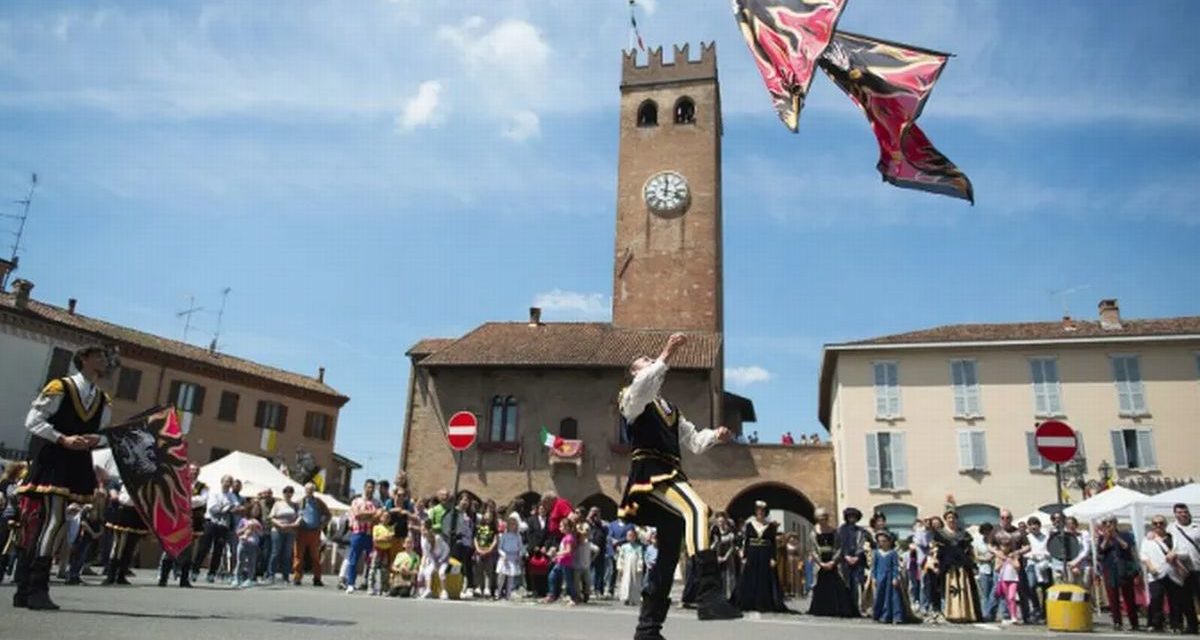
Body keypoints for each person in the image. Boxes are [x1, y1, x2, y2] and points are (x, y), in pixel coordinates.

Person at [616, 333, 743, 638]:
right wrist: (667, 351)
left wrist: (716, 435)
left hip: (671, 473)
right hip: (651, 475)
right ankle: (709, 593)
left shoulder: (672, 410)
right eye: (643, 362)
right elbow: (645, 383)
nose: (651, 363)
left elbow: (695, 442)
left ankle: (648, 628)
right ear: (635, 372)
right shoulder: (630, 397)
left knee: (670, 553)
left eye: (651, 360)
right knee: (698, 509)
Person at [12, 345, 116, 610]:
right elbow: (33, 420)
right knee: (55, 519)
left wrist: (97, 439)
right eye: (100, 356)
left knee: (52, 521)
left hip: (78, 460)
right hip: (55, 458)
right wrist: (62, 438)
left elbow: (105, 433)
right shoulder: (61, 386)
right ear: (84, 359)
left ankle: (25, 586)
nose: (105, 360)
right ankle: (37, 587)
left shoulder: (103, 399)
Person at [733, 500, 788, 612]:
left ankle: (763, 602)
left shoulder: (770, 527)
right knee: (750, 577)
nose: (760, 513)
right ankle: (748, 601)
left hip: (765, 553)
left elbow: (773, 543)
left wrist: (773, 558)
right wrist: (745, 556)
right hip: (753, 553)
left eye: (762, 511)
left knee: (764, 577)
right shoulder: (749, 525)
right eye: (758, 511)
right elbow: (747, 542)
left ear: (765, 512)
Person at [1141, 515, 1188, 633]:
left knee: (1175, 601)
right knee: (1156, 599)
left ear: (1165, 524)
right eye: (1155, 523)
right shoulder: (1148, 539)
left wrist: (1175, 555)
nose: (1158, 525)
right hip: (1156, 573)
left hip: (1173, 573)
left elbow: (1184, 552)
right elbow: (1143, 554)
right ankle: (1155, 624)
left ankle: (1176, 625)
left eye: (1161, 523)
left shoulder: (1174, 538)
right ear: (1152, 525)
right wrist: (1150, 566)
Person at [935, 510, 981, 623]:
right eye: (949, 518)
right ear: (945, 520)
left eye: (953, 517)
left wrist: (973, 562)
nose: (951, 520)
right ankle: (949, 613)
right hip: (947, 566)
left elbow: (969, 550)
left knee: (964, 589)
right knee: (948, 590)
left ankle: (965, 613)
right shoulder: (940, 534)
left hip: (962, 566)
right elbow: (935, 550)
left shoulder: (964, 534)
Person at [809, 507, 856, 617]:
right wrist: (820, 563)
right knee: (820, 585)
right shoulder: (813, 533)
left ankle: (837, 608)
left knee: (836, 585)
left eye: (825, 518)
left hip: (832, 561)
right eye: (820, 519)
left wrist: (833, 561)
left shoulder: (834, 532)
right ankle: (821, 609)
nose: (823, 521)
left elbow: (839, 548)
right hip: (821, 562)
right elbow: (813, 549)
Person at [1096, 516, 1140, 631]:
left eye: (1111, 522)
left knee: (1129, 596)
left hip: (1124, 568)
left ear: (1116, 523)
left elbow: (1127, 547)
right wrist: (1106, 538)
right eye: (1106, 523)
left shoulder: (1125, 535)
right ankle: (1117, 622)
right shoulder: (1102, 537)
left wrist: (1116, 537)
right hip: (1110, 568)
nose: (1109, 525)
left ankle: (1134, 622)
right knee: (1112, 596)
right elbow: (1100, 550)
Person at [193, 474, 238, 584]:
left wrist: (228, 508)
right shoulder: (214, 493)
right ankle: (194, 570)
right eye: (226, 481)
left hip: (223, 525)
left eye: (230, 482)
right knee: (204, 548)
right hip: (211, 523)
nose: (227, 484)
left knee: (218, 550)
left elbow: (237, 506)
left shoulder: (232, 496)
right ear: (221, 482)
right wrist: (228, 508)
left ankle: (212, 573)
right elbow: (213, 509)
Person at [1169, 503, 1200, 634]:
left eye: (1185, 512)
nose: (1183, 514)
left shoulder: (1197, 527)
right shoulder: (1171, 528)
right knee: (1186, 599)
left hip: (1197, 566)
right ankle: (1192, 626)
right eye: (1179, 512)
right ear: (1175, 514)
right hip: (1181, 569)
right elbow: (1162, 539)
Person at [345, 479, 380, 593]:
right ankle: (351, 583)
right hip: (358, 532)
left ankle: (369, 584)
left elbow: (379, 516)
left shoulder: (376, 502)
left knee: (371, 560)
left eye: (372, 488)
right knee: (353, 559)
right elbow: (357, 515)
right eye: (369, 487)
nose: (370, 490)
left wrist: (367, 515)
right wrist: (371, 514)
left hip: (371, 534)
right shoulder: (356, 501)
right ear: (364, 487)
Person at [292, 482, 330, 586]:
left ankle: (317, 578)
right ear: (305, 490)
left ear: (314, 491)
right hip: (301, 531)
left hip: (314, 532)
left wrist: (321, 526)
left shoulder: (318, 502)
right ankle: (297, 577)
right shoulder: (299, 502)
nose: (309, 491)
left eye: (311, 489)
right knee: (298, 555)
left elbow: (328, 515)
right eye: (308, 489)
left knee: (315, 556)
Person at [871, 531, 908, 624]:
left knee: (893, 596)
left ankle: (896, 616)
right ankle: (880, 615)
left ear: (889, 542)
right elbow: (874, 567)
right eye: (880, 541)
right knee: (880, 596)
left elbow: (895, 566)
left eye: (884, 541)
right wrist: (874, 577)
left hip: (890, 577)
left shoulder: (892, 553)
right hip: (880, 576)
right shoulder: (876, 553)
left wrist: (895, 577)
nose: (882, 543)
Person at [265, 485, 298, 584]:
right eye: (286, 492)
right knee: (275, 552)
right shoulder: (278, 504)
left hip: (290, 530)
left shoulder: (295, 505)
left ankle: (285, 576)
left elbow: (299, 516)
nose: (288, 494)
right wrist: (279, 524)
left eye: (290, 492)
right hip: (277, 530)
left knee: (287, 554)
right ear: (283, 493)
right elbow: (271, 517)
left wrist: (293, 525)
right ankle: (271, 574)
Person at [837, 507, 869, 608]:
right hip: (844, 561)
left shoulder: (861, 531)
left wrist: (857, 556)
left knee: (857, 584)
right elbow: (838, 545)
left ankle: (857, 606)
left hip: (858, 562)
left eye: (854, 517)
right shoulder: (841, 530)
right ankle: (846, 607)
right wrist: (846, 556)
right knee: (846, 584)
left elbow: (866, 544)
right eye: (850, 516)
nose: (852, 519)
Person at [544, 517, 578, 605]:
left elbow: (568, 551)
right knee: (552, 577)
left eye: (561, 526)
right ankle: (552, 595)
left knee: (568, 581)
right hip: (560, 562)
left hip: (566, 563)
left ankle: (574, 598)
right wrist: (556, 558)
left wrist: (557, 553)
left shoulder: (569, 538)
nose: (560, 528)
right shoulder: (565, 537)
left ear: (567, 527)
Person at [416, 522, 449, 599]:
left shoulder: (438, 538)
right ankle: (427, 590)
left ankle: (444, 591)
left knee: (441, 572)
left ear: (429, 531)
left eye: (425, 530)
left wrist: (441, 560)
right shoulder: (424, 541)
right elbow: (428, 555)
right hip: (434, 560)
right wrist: (434, 564)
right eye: (422, 530)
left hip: (444, 559)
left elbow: (446, 549)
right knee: (427, 571)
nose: (423, 532)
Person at [972, 522, 997, 622]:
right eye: (985, 531)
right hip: (984, 569)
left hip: (995, 568)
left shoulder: (996, 542)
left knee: (994, 594)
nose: (987, 533)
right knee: (985, 594)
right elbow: (976, 556)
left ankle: (992, 614)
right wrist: (985, 558)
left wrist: (993, 556)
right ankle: (985, 614)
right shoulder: (978, 542)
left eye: (989, 531)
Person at [995, 537, 1023, 625]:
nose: (1005, 548)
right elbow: (996, 569)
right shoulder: (999, 556)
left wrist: (1011, 560)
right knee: (1007, 599)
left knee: (1012, 597)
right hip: (1003, 579)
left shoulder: (1014, 555)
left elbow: (1018, 567)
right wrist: (1001, 562)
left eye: (1007, 546)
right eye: (1003, 546)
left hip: (1013, 579)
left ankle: (1014, 616)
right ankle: (1011, 616)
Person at [474, 503, 499, 598]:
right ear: (483, 516)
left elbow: (495, 540)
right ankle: (479, 587)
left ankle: (487, 588)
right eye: (486, 516)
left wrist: (490, 549)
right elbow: (475, 538)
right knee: (479, 569)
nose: (488, 518)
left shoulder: (494, 528)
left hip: (489, 552)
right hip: (479, 551)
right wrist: (477, 549)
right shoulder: (479, 527)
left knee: (488, 571)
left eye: (490, 517)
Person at [369, 511, 397, 595]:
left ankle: (384, 588)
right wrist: (385, 538)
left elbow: (391, 539)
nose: (386, 519)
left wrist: (382, 538)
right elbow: (375, 539)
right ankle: (371, 587)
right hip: (377, 550)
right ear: (381, 518)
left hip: (386, 551)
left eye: (388, 517)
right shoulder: (376, 527)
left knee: (385, 570)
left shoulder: (391, 528)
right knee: (373, 569)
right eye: (384, 517)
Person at [497, 514, 524, 599]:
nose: (512, 526)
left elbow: (521, 548)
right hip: (505, 556)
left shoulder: (518, 536)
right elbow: (499, 548)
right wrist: (503, 555)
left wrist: (519, 556)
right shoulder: (504, 535)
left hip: (513, 557)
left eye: (514, 524)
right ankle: (499, 592)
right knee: (501, 575)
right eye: (510, 524)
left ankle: (508, 594)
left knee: (511, 577)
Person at [615, 528, 645, 605]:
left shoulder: (639, 547)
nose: (631, 537)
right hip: (626, 567)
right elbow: (621, 558)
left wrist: (640, 567)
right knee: (625, 581)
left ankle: (634, 598)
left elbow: (640, 558)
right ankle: (625, 597)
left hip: (634, 567)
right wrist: (620, 567)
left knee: (634, 582)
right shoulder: (624, 547)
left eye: (632, 536)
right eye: (629, 536)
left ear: (635, 537)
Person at [234, 512, 263, 588]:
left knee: (251, 562)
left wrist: (255, 528)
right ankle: (237, 578)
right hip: (243, 543)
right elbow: (237, 532)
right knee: (240, 562)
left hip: (253, 544)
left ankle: (249, 579)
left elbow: (261, 534)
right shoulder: (243, 521)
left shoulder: (257, 522)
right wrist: (246, 528)